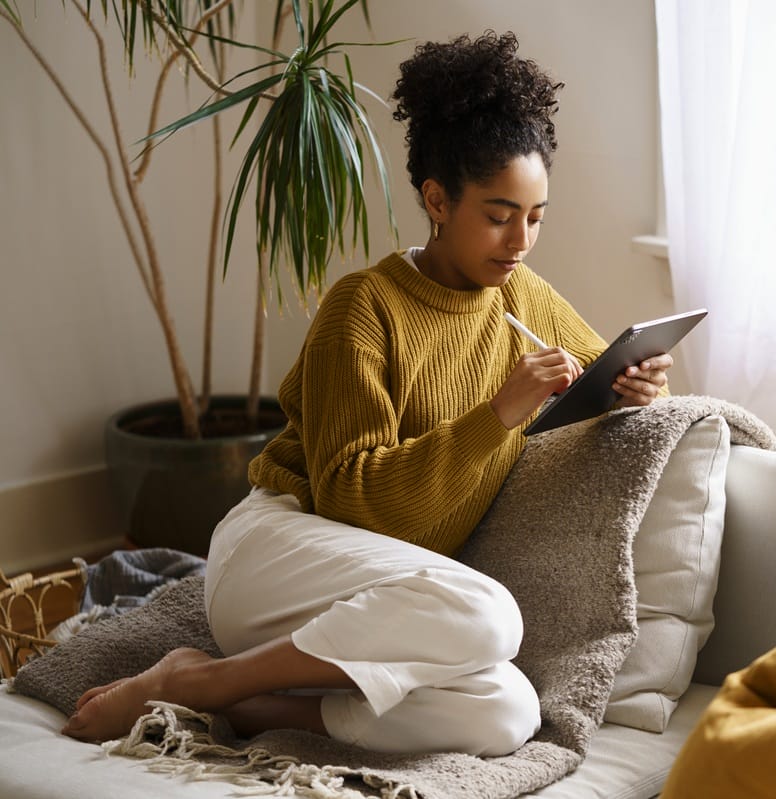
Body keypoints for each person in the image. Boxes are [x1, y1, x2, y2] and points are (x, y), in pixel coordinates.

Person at [61, 30, 673, 755]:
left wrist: (640, 389)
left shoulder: (523, 296)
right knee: (491, 616)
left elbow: (601, 372)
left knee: (507, 710)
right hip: (279, 554)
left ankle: (253, 701)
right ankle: (204, 684)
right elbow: (350, 499)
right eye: (499, 214)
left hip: (383, 607)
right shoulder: (364, 306)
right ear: (437, 199)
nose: (520, 242)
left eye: (536, 217)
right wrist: (499, 414)